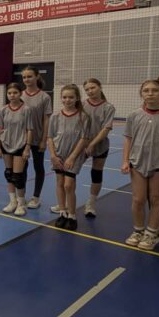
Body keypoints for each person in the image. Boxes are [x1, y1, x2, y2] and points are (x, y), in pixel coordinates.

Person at [121, 79, 159, 250]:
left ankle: (151, 232)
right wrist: (125, 160)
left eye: (155, 90)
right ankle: (138, 230)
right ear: (141, 93)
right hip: (137, 163)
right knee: (138, 199)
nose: (150, 93)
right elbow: (128, 139)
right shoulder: (134, 115)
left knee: (156, 198)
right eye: (146, 90)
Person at [48, 85, 90, 230]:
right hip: (58, 155)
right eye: (64, 97)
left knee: (68, 185)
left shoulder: (83, 117)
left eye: (71, 97)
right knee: (60, 183)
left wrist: (72, 157)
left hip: (74, 156)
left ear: (77, 98)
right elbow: (50, 137)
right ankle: (62, 212)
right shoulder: (55, 116)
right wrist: (53, 155)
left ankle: (72, 215)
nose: (67, 100)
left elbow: (83, 139)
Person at [81, 78, 116, 218]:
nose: (90, 91)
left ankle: (91, 204)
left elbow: (105, 129)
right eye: (87, 89)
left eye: (93, 88)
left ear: (100, 87)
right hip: (81, 145)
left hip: (100, 145)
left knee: (96, 173)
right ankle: (64, 203)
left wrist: (92, 144)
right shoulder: (82, 105)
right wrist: (84, 144)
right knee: (70, 172)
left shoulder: (108, 107)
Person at [20, 65, 52, 209]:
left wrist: (44, 140)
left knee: (38, 167)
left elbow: (46, 119)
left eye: (29, 76)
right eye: (24, 77)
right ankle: (22, 196)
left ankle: (36, 197)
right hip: (22, 139)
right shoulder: (20, 95)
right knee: (22, 168)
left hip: (38, 138)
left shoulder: (44, 97)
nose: (26, 79)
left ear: (37, 76)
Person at [0, 82, 31, 216]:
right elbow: (0, 130)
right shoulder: (3, 110)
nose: (12, 95)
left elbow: (29, 130)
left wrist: (27, 147)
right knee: (9, 174)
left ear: (20, 93)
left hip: (20, 144)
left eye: (15, 93)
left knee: (18, 176)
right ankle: (12, 201)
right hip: (6, 144)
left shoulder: (26, 110)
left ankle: (21, 204)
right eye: (9, 93)